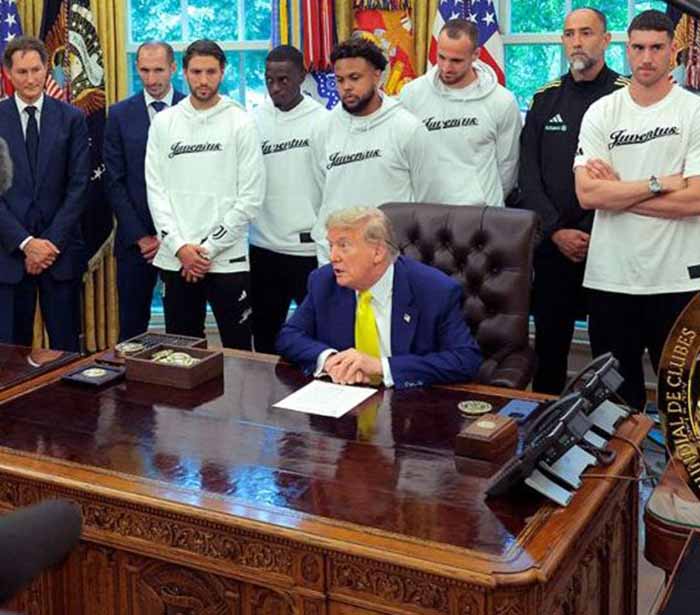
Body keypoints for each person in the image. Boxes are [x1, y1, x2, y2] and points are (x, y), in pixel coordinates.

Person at [574, 10, 700, 410]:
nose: (647, 58)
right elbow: (587, 195)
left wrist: (618, 193)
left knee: (684, 402)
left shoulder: (693, 112)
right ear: (627, 50)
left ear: (673, 50)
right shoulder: (602, 112)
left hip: (679, 282)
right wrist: (659, 183)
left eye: (657, 48)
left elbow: (695, 200)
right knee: (613, 406)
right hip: (611, 278)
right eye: (639, 47)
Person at [518, 8, 630, 395]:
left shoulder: (625, 97)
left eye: (586, 33)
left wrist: (591, 233)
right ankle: (545, 425)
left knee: (611, 354)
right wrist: (556, 231)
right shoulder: (545, 98)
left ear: (606, 40)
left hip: (610, 244)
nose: (577, 42)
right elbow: (527, 177)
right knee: (549, 352)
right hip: (554, 247)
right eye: (569, 34)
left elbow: (630, 177)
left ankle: (611, 428)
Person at [276, 207, 482, 389]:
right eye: (331, 246)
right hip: (344, 399)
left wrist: (381, 367)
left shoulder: (434, 290)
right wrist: (330, 359)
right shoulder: (324, 282)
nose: (333, 257)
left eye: (343, 246)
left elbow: (465, 360)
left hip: (408, 404)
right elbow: (289, 336)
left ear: (378, 252)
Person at [145, 39, 265, 349]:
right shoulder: (164, 122)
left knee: (239, 352)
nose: (203, 80)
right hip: (177, 259)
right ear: (184, 72)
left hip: (227, 260)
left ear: (222, 72)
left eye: (211, 72)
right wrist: (180, 247)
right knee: (182, 354)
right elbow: (156, 192)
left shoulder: (241, 122)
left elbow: (251, 197)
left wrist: (207, 249)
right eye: (196, 72)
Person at [310, 38, 438, 263]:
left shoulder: (407, 128)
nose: (346, 87)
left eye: (355, 78)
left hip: (391, 257)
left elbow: (426, 198)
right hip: (336, 258)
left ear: (377, 76)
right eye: (340, 80)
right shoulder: (322, 129)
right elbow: (319, 194)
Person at [0, 36, 89, 352]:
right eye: (22, 72)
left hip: (59, 254)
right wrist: (26, 244)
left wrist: (47, 245)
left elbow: (79, 185)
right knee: (9, 359)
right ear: (8, 73)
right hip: (9, 257)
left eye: (36, 70)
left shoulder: (72, 118)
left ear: (46, 68)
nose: (30, 79)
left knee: (66, 352)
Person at [104, 41, 186, 341]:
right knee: (131, 331)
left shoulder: (192, 110)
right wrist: (142, 237)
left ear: (173, 68)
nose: (151, 79)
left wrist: (170, 238)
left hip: (182, 241)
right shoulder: (119, 114)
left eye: (159, 70)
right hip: (135, 243)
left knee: (183, 329)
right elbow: (114, 181)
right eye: (144, 71)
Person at [250, 45, 326, 354]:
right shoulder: (253, 120)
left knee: (318, 337)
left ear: (302, 76)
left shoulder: (323, 121)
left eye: (284, 80)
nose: (275, 88)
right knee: (265, 338)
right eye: (269, 80)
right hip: (263, 248)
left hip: (308, 250)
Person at [399, 18, 521, 208]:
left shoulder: (502, 101)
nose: (446, 67)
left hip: (482, 213)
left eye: (456, 61)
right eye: (441, 57)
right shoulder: (412, 94)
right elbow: (402, 156)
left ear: (475, 55)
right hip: (427, 212)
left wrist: (486, 201)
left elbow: (508, 166)